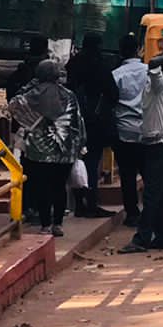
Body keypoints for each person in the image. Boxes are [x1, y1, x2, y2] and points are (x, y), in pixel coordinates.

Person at [9, 60, 85, 238]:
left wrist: (30, 84)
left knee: (41, 187)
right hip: (64, 150)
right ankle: (58, 223)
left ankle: (45, 224)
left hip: (38, 152)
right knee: (59, 186)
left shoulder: (30, 95)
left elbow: (13, 105)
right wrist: (80, 145)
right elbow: (78, 122)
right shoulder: (69, 95)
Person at [121, 53, 163, 253]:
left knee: (152, 192)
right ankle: (162, 236)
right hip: (159, 143)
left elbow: (153, 64)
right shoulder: (162, 86)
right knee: (162, 193)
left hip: (158, 144)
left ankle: (142, 238)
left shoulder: (160, 84)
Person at [64, 33, 117, 218]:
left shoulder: (73, 64)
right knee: (92, 162)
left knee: (76, 161)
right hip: (95, 123)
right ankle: (92, 203)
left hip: (73, 120)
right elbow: (113, 93)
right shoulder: (100, 65)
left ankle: (79, 203)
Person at [112, 33, 148, 226]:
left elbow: (111, 101)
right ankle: (151, 212)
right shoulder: (150, 72)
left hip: (124, 130)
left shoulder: (116, 75)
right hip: (146, 131)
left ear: (121, 51)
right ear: (138, 49)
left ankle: (132, 214)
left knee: (127, 175)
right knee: (149, 174)